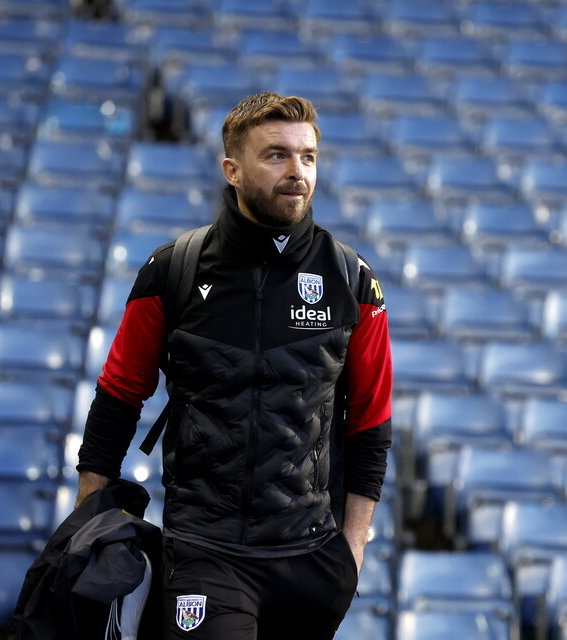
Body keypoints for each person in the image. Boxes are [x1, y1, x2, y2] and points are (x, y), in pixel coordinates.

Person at [74, 91, 393, 639]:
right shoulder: (171, 271)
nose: (297, 171)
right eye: (276, 155)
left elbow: (371, 424)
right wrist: (82, 526)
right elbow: (117, 400)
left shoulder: (352, 281)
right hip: (206, 552)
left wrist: (352, 552)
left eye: (308, 156)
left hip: (312, 562)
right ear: (232, 169)